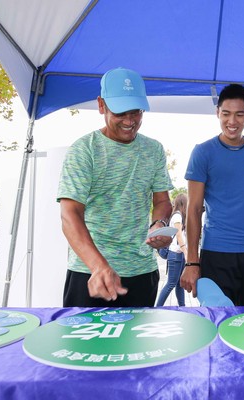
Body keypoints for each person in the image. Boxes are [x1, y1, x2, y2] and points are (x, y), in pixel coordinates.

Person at [57, 67, 173, 307]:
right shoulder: (84, 150)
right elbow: (70, 215)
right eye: (121, 112)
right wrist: (99, 267)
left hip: (142, 272)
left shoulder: (154, 150)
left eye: (136, 112)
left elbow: (162, 201)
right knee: (84, 345)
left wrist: (159, 224)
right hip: (90, 274)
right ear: (101, 105)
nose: (130, 121)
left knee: (138, 346)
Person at [180, 83, 244, 306]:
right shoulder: (203, 152)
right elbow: (193, 209)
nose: (232, 122)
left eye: (239, 114)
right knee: (218, 321)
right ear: (217, 113)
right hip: (217, 253)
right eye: (226, 114)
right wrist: (192, 263)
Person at [156, 193, 188, 307]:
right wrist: (186, 252)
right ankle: (158, 307)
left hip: (179, 255)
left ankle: (183, 307)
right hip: (175, 254)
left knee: (179, 284)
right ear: (184, 203)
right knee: (170, 284)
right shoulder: (177, 216)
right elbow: (178, 235)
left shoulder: (179, 216)